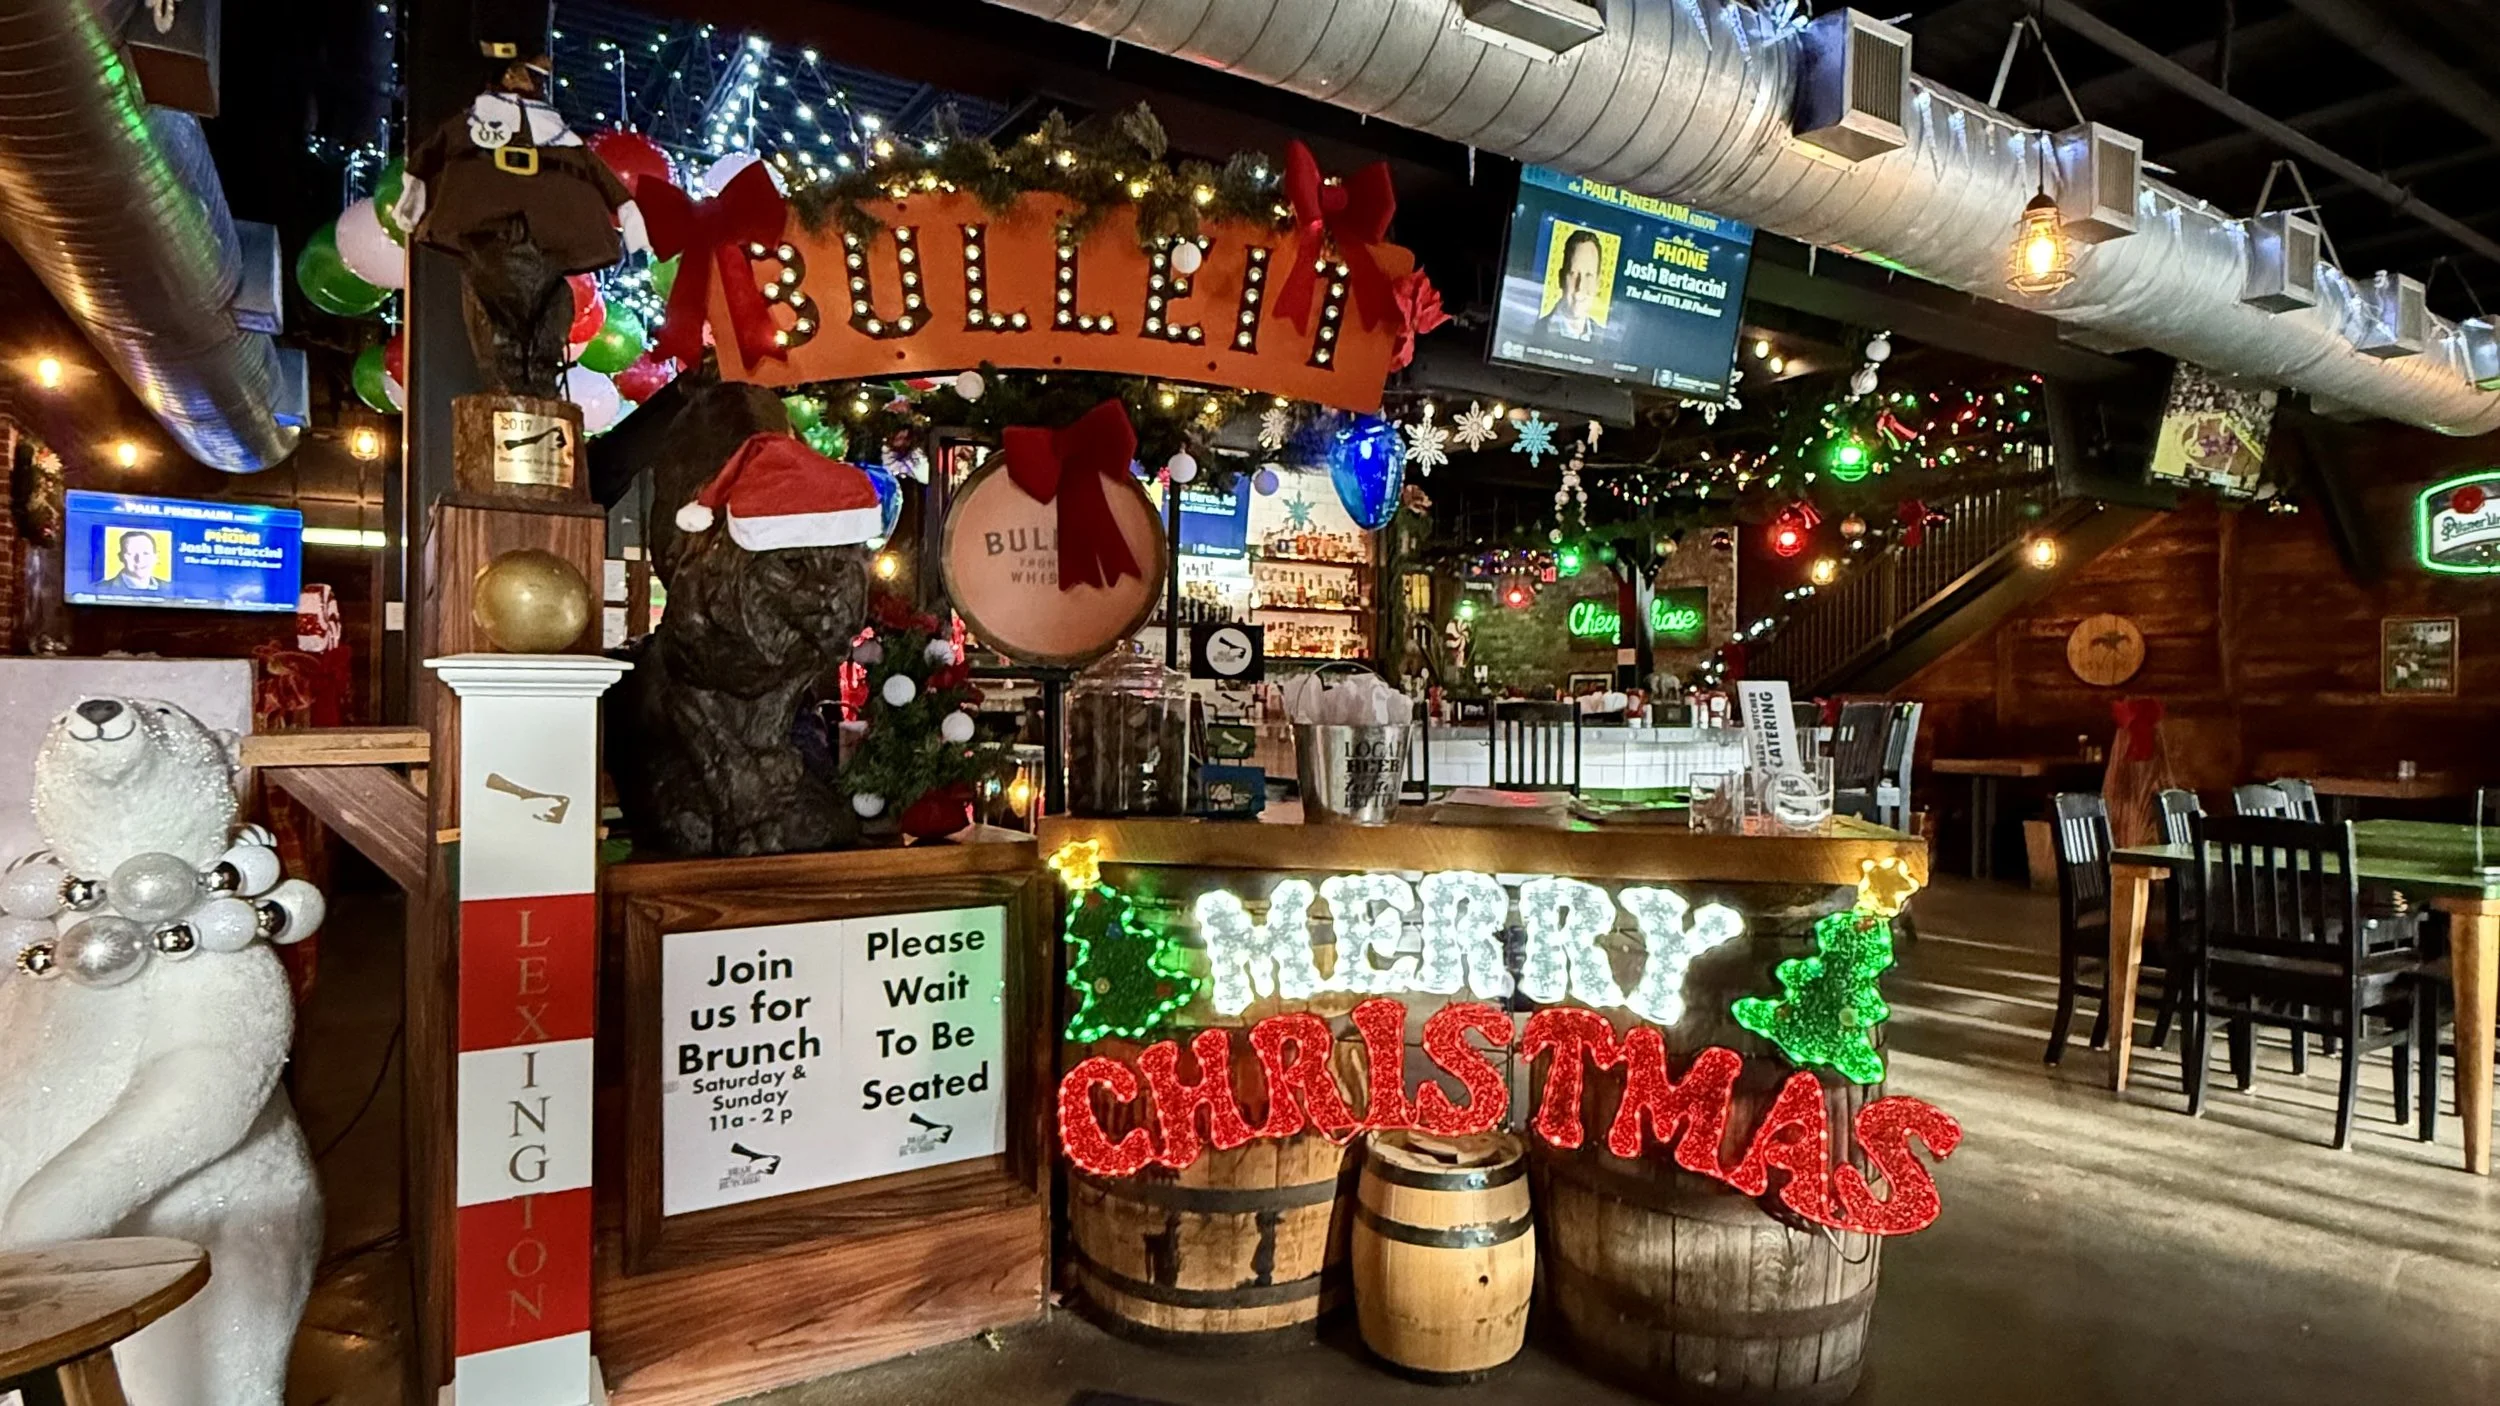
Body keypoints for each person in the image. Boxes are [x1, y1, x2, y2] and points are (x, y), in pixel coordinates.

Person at [1536, 228, 1609, 344]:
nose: (1580, 287)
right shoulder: (1536, 331)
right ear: (1561, 278)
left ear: (1598, 283)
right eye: (1573, 274)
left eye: (1589, 275)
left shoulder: (1606, 341)